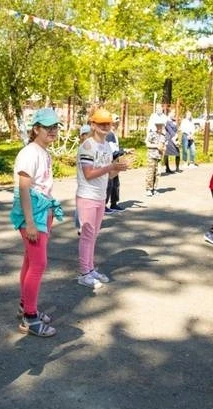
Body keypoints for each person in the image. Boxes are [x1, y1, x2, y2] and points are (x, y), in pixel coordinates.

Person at [10, 108, 64, 337]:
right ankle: (30, 318)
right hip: (33, 214)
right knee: (39, 264)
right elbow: (23, 187)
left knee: (30, 261)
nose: (53, 131)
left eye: (55, 127)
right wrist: (30, 222)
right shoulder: (29, 153)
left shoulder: (42, 151)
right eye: (47, 127)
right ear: (36, 129)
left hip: (42, 210)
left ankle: (26, 305)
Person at [75, 108, 131, 289]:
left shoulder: (106, 146)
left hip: (100, 196)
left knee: (94, 235)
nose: (106, 127)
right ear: (93, 125)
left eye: (108, 124)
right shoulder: (87, 146)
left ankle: (90, 269)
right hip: (87, 196)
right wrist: (111, 167)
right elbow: (89, 173)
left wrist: (119, 168)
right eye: (101, 124)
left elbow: (109, 175)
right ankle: (84, 272)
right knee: (87, 234)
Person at [105, 115, 125, 213]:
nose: (115, 125)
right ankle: (104, 205)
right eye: (113, 123)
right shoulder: (109, 134)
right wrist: (124, 151)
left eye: (117, 123)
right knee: (109, 184)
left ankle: (114, 203)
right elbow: (112, 151)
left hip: (115, 161)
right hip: (110, 162)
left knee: (115, 183)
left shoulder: (113, 134)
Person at [144, 116, 165, 197]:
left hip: (159, 156)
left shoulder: (163, 136)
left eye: (161, 126)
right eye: (158, 125)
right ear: (156, 126)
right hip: (152, 155)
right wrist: (156, 146)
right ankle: (148, 189)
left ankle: (154, 188)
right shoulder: (152, 134)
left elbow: (163, 146)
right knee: (150, 172)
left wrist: (163, 151)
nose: (159, 127)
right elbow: (147, 144)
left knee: (158, 173)